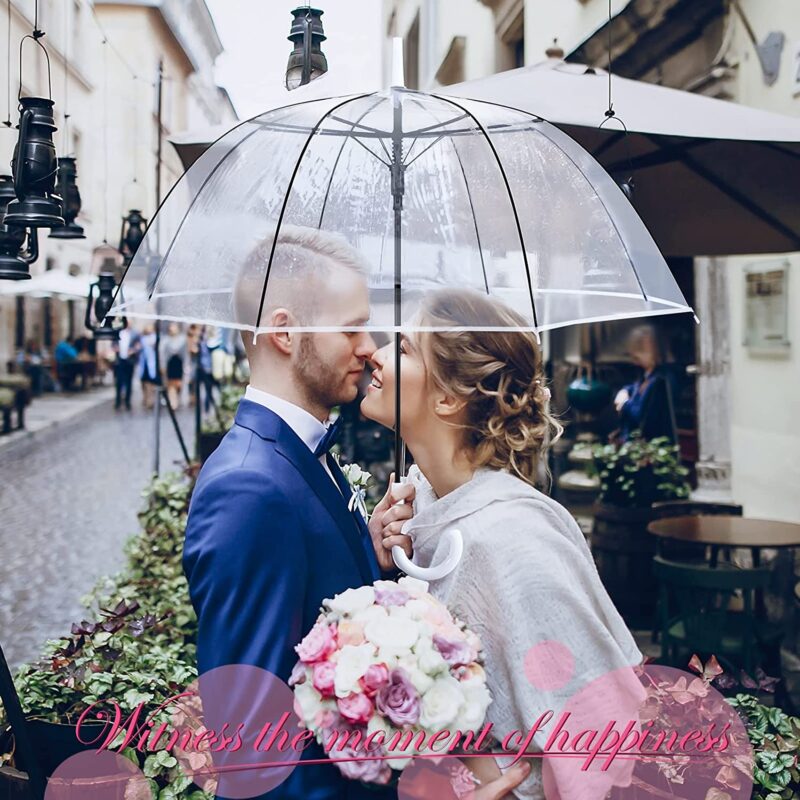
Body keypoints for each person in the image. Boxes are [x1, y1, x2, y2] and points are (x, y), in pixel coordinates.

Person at [362, 289, 645, 800]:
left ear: (448, 398)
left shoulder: (516, 542)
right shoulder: (422, 509)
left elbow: (604, 739)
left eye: (402, 348)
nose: (374, 355)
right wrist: (388, 567)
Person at [183, 227, 413, 800]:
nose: (370, 346)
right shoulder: (248, 488)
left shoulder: (299, 453)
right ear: (284, 331)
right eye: (351, 327)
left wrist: (371, 559)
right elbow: (252, 747)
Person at [613, 323, 680, 443]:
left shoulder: (661, 380)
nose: (634, 356)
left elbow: (642, 416)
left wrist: (624, 404)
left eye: (640, 350)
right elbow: (634, 388)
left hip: (651, 445)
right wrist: (625, 391)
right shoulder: (647, 374)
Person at [159, 322, 187, 409]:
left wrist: (186, 365)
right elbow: (162, 353)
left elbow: (185, 354)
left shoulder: (182, 339)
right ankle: (173, 402)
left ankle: (176, 399)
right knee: (171, 384)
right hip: (170, 364)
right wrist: (162, 365)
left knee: (178, 384)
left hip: (179, 364)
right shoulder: (165, 340)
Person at [112, 327, 141, 411]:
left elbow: (138, 345)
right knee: (118, 382)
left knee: (129, 382)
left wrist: (133, 350)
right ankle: (118, 401)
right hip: (119, 360)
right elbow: (113, 344)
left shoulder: (134, 334)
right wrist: (115, 348)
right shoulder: (117, 333)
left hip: (129, 361)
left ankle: (127, 401)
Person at [138, 325, 159, 409]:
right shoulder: (142, 338)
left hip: (152, 364)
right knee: (144, 383)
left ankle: (150, 400)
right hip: (144, 364)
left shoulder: (155, 338)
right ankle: (146, 398)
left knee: (151, 384)